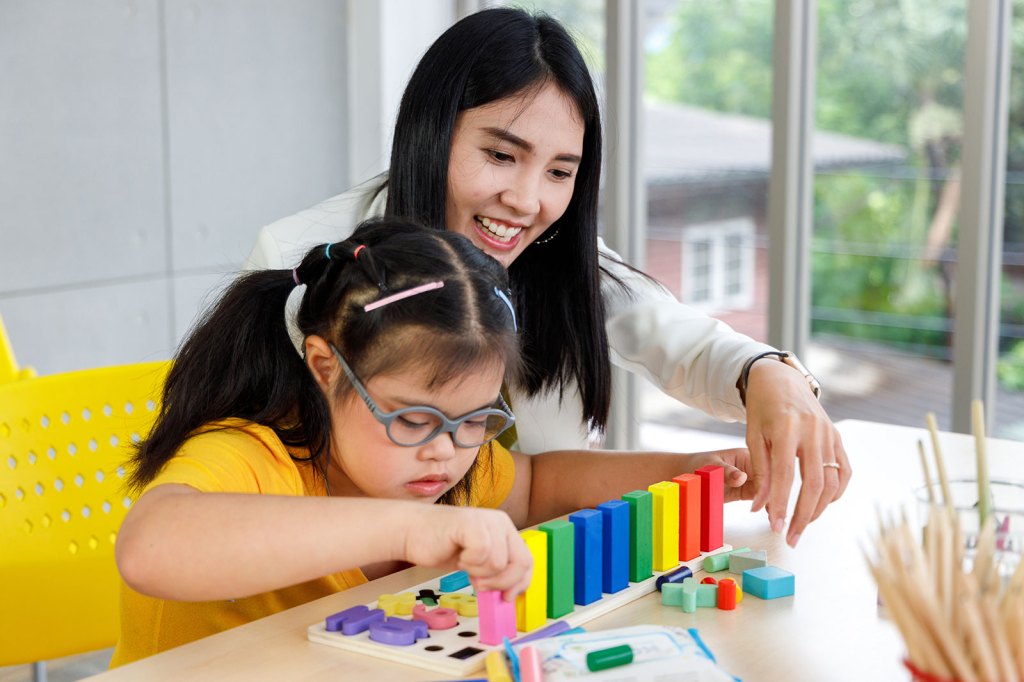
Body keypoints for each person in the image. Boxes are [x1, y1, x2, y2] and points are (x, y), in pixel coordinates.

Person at [246, 7, 850, 548]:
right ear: (431, 134)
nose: (526, 200)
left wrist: (771, 375)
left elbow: (686, 342)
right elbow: (252, 496)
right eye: (501, 155)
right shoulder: (306, 259)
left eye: (560, 172)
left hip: (533, 581)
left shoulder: (560, 258)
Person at [111, 219, 754, 666]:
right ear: (325, 365)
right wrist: (403, 529)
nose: (446, 451)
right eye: (412, 419)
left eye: (475, 420)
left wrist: (689, 467)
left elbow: (535, 487)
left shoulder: (447, 455)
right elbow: (149, 547)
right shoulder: (252, 452)